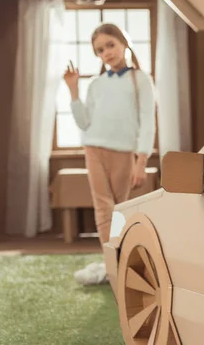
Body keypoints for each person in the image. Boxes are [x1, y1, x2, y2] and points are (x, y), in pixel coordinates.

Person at [62, 23, 156, 285]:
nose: (106, 52)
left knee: (119, 209)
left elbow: (147, 121)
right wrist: (73, 90)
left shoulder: (141, 80)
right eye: (100, 50)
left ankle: (119, 261)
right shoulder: (95, 84)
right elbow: (83, 122)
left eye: (110, 45)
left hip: (124, 153)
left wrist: (141, 161)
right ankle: (110, 265)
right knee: (103, 208)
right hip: (93, 148)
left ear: (123, 42)